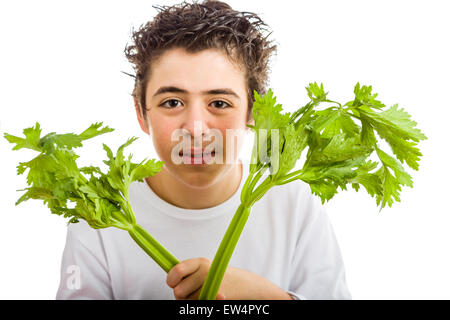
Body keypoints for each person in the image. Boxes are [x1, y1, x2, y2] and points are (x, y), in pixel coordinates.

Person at [56, 0, 351, 300]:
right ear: (140, 113)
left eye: (219, 103)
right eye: (172, 102)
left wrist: (263, 296)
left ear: (253, 114)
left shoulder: (295, 205)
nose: (196, 128)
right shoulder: (99, 216)